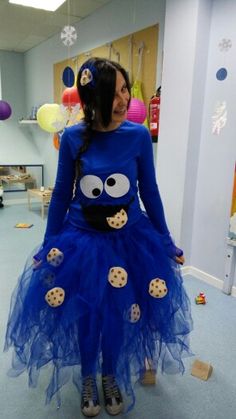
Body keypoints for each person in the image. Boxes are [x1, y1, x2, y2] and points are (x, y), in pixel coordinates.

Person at [5, 58, 193, 417]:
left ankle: (110, 375)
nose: (124, 100)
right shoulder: (74, 137)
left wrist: (166, 240)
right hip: (83, 240)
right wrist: (49, 243)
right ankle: (89, 377)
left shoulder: (137, 135)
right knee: (89, 314)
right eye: (115, 92)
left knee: (122, 312)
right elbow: (61, 193)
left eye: (126, 90)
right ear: (95, 98)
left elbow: (149, 192)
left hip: (130, 240)